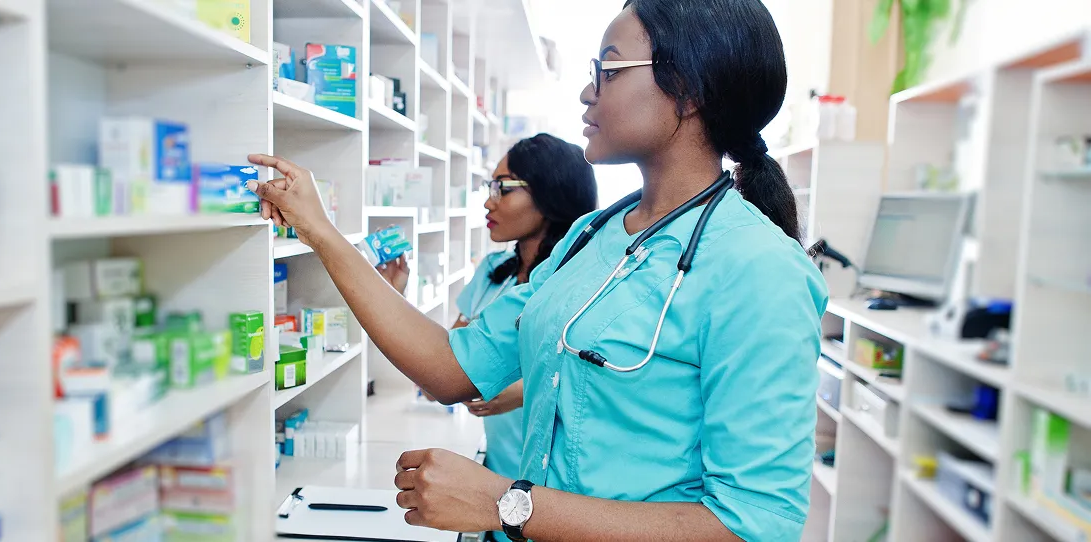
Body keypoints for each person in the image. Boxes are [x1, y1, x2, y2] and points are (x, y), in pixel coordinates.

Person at [245, 0, 827, 539]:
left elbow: (756, 523)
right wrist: (319, 231)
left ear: (688, 89)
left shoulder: (758, 269)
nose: (585, 92)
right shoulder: (589, 237)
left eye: (609, 70)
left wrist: (507, 503)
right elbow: (454, 367)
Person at [375, 134, 598, 537]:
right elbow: (439, 371)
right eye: (488, 187)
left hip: (563, 505)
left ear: (551, 193)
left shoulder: (584, 283)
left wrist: (526, 389)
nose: (488, 201)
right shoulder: (493, 274)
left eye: (503, 187)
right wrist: (393, 295)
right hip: (490, 491)